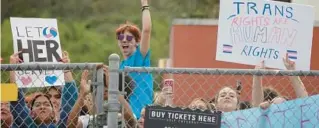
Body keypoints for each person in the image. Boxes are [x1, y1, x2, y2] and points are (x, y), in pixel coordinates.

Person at [9, 51, 78, 128]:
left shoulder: (60, 126)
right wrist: (12, 69)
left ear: (53, 112)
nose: (42, 107)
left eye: (47, 104)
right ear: (31, 113)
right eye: (37, 105)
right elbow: (15, 102)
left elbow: (71, 101)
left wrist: (66, 69)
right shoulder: (27, 125)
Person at [116, 0, 153, 119]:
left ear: (137, 42)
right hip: (126, 119)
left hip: (143, 118)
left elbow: (146, 30)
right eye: (121, 37)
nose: (124, 40)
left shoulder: (140, 56)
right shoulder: (119, 67)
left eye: (129, 37)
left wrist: (145, 5)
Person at [67, 66, 137, 128]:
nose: (103, 92)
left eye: (107, 89)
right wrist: (82, 95)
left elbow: (131, 121)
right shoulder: (89, 120)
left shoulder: (123, 118)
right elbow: (71, 126)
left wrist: (113, 89)